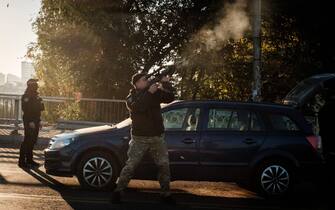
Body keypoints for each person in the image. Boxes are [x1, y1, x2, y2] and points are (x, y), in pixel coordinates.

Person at [111, 72, 175, 204]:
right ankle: (118, 191)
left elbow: (170, 98)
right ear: (137, 83)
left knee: (164, 166)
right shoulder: (131, 97)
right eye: (144, 79)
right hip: (139, 138)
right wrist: (150, 93)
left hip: (157, 137)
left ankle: (166, 194)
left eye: (147, 79)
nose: (147, 81)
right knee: (130, 166)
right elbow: (138, 107)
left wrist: (165, 84)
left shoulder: (153, 92)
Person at [18, 79, 45, 168]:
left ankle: (29, 160)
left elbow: (40, 108)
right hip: (29, 120)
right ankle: (21, 161)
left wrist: (39, 120)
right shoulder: (26, 96)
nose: (37, 86)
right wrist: (30, 122)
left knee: (33, 141)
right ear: (31, 85)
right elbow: (26, 110)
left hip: (36, 120)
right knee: (27, 140)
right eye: (35, 84)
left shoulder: (36, 96)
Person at [318, 89, 335, 186]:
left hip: (327, 138)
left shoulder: (324, 109)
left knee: (328, 160)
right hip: (330, 137)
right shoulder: (328, 108)